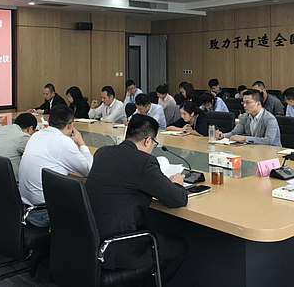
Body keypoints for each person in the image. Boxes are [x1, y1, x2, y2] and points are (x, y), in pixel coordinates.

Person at [86, 115, 188, 285]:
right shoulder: (144, 162)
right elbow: (178, 199)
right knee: (178, 247)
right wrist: (176, 183)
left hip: (90, 240)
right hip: (117, 248)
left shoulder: (102, 152)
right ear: (148, 140)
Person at [19, 105, 93, 227]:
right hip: (44, 212)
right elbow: (88, 170)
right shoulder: (64, 142)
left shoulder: (36, 135)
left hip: (25, 208)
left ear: (48, 120)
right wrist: (81, 143)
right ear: (70, 125)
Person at [0, 112, 37, 182]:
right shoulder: (23, 136)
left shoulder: (1, 129)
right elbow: (37, 156)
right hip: (8, 181)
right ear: (30, 128)